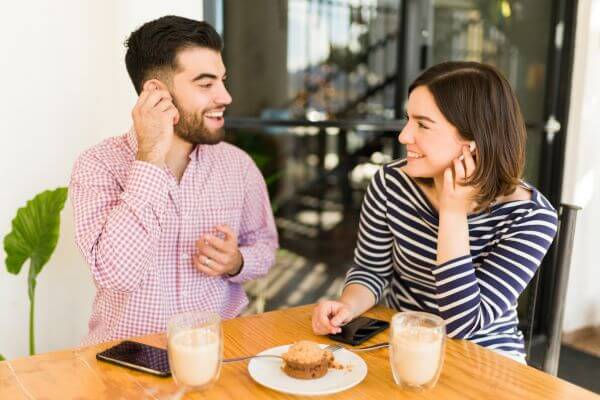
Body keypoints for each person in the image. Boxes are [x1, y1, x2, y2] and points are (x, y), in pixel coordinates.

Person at [312, 61, 558, 363]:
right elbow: (372, 271)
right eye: (407, 119)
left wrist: (452, 213)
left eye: (422, 124)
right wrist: (347, 306)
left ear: (473, 143)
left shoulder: (531, 217)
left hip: (485, 357)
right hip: (405, 344)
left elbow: (462, 324)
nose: (404, 136)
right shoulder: (391, 183)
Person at [70, 16, 278, 345]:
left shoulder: (238, 166)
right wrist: (150, 155)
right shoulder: (98, 165)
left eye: (223, 80)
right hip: (127, 361)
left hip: (219, 353)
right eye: (206, 84)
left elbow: (266, 247)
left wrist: (237, 261)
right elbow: (116, 275)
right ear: (157, 92)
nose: (225, 96)